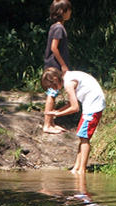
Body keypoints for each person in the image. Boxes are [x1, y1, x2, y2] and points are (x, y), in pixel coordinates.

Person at [43, 67, 105, 174]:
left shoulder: (69, 84)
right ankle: (76, 167)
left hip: (94, 105)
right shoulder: (68, 77)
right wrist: (57, 111)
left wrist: (58, 113)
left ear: (55, 79)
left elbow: (75, 108)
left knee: (84, 137)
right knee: (82, 136)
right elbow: (69, 104)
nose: (53, 89)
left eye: (52, 86)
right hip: (91, 104)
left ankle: (82, 169)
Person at [41, 0, 72, 134]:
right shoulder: (59, 28)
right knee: (52, 94)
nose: (70, 12)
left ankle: (51, 123)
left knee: (53, 93)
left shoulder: (56, 26)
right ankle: (47, 125)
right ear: (62, 12)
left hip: (53, 65)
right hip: (54, 66)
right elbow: (54, 48)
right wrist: (63, 65)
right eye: (68, 10)